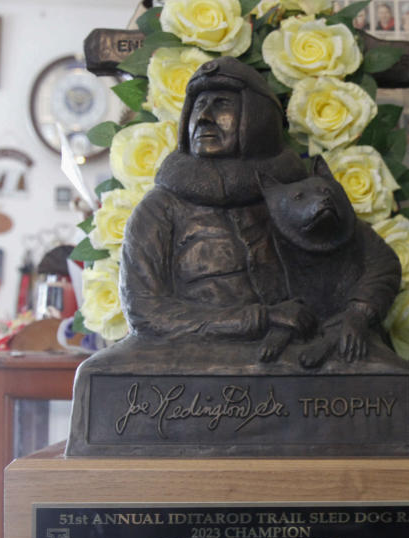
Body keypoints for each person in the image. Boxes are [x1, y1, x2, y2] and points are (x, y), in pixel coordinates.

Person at [120, 57, 314, 340]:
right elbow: (145, 312)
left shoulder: (293, 196)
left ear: (257, 117)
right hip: (186, 355)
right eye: (198, 106)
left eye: (222, 104)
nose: (204, 117)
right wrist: (260, 318)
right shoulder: (160, 209)